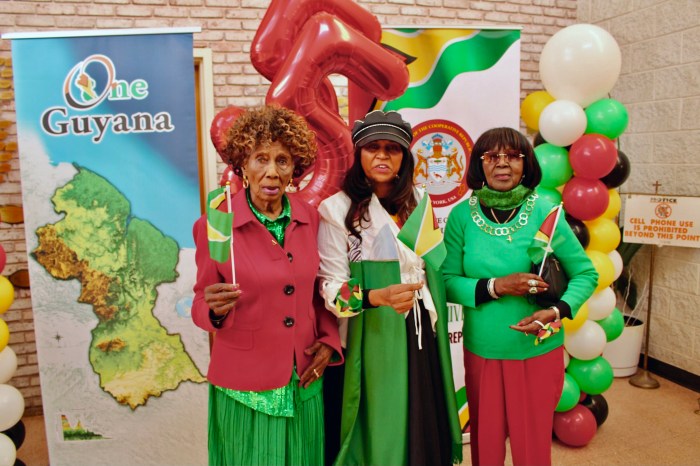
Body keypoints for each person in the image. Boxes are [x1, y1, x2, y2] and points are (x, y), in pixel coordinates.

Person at [191, 104, 343, 466]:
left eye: (283, 160)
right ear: (242, 164)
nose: (272, 172)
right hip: (245, 384)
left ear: (295, 168)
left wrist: (328, 340)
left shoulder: (310, 216)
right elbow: (200, 301)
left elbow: (319, 293)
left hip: (303, 377)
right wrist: (211, 310)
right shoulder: (216, 224)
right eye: (261, 159)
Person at [442, 127, 598, 466]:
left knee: (533, 444)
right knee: (486, 442)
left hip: (537, 348)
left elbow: (587, 273)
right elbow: (447, 280)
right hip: (483, 350)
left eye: (513, 156)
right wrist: (496, 286)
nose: (502, 163)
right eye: (492, 156)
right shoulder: (461, 216)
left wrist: (556, 312)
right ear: (478, 165)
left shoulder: (545, 209)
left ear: (526, 164)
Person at [317, 110, 463, 466]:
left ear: (404, 157)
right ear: (358, 154)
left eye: (392, 149)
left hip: (418, 335)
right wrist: (374, 296)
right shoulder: (336, 210)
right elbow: (330, 289)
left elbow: (432, 268)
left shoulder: (419, 200)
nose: (382, 156)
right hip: (372, 335)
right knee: (379, 429)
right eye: (372, 148)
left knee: (421, 426)